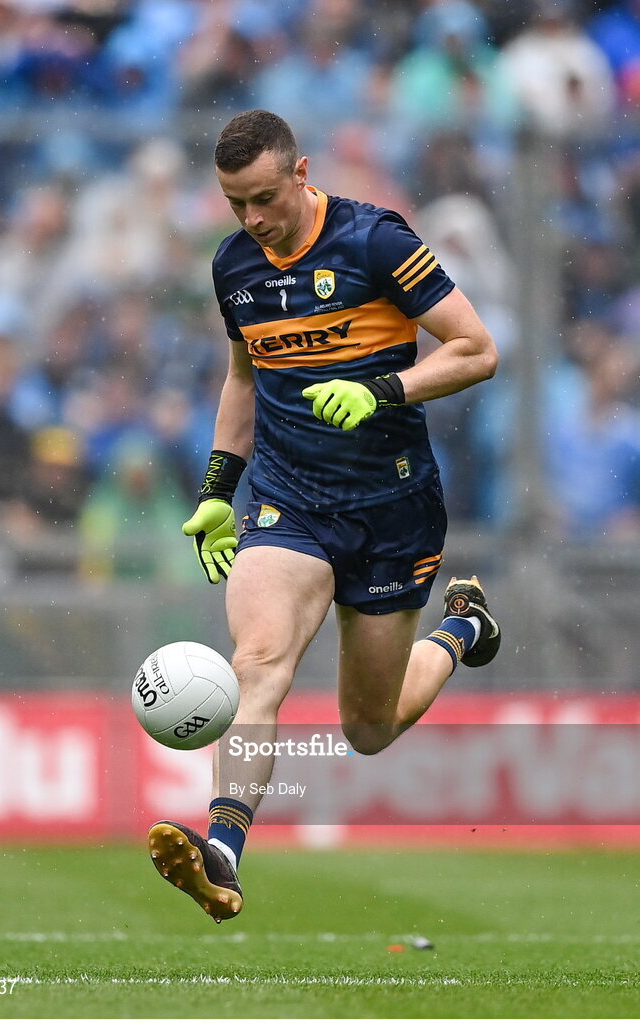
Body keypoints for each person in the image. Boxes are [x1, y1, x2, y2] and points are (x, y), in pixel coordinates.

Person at [147, 109, 501, 923]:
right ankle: (222, 852)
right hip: (288, 499)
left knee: (369, 728)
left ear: (301, 172)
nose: (253, 220)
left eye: (265, 198)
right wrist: (215, 490)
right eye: (236, 204)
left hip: (392, 507)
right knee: (258, 663)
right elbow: (243, 379)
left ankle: (462, 629)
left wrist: (380, 390)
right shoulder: (234, 264)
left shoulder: (376, 242)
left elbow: (476, 348)